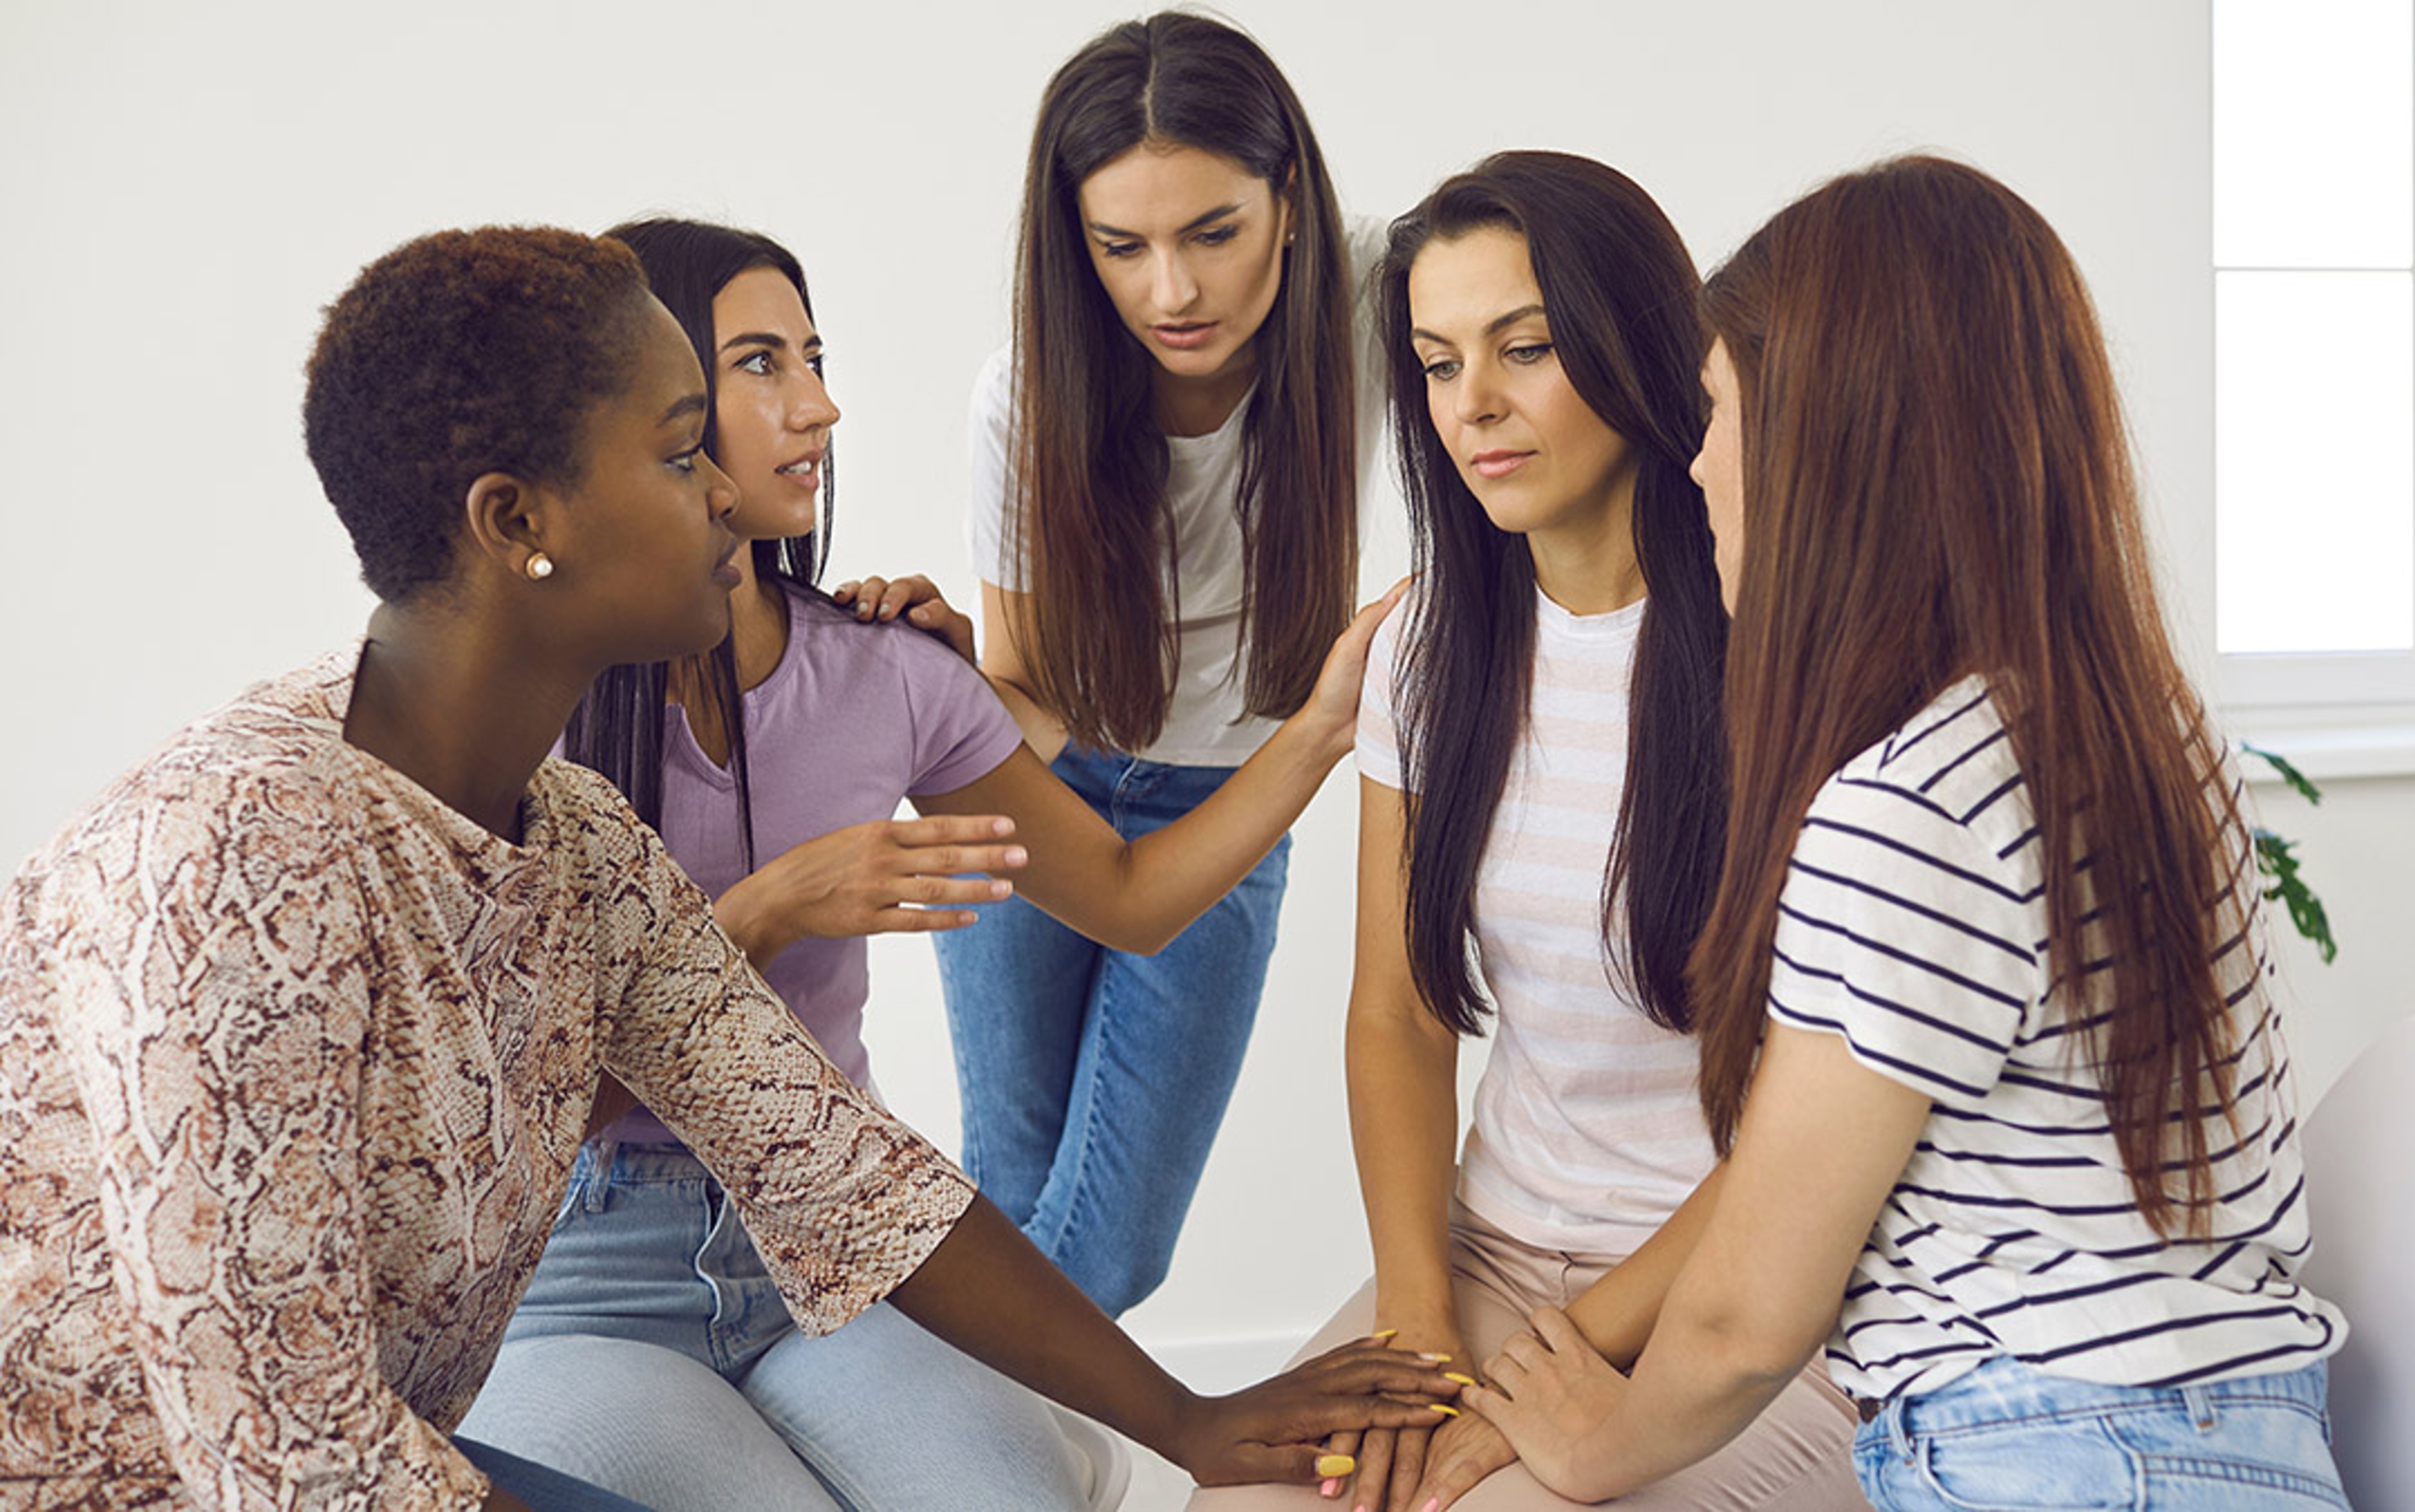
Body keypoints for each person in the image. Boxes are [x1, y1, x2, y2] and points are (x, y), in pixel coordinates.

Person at [0, 225, 1454, 1511]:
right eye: (681, 449)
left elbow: (843, 1171)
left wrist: (1192, 1422)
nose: (730, 492)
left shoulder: (578, 842)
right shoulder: (234, 862)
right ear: (519, 523)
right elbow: (290, 1464)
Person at [459, 216, 1403, 1512]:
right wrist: (770, 909)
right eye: (760, 364)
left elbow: (1131, 901)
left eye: (814, 357)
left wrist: (1322, 729)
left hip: (826, 1247)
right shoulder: (522, 712)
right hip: (581, 1276)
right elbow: (501, 1102)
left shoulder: (885, 670)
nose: (820, 405)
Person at [1460, 156, 2351, 1512]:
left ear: (1830, 441)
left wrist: (1599, 1443)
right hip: (2230, 1435)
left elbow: (1750, 1316)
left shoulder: (1909, 809)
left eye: (1718, 411)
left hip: (2054, 1460)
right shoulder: (2132, 728)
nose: (1695, 463)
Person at [1197, 153, 1869, 1512]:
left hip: (1747, 1299)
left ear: (1635, 345)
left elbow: (1796, 1127)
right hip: (1491, 1259)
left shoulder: (1786, 661)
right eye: (1438, 365)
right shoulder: (1427, 652)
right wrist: (1418, 1323)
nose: (1474, 406)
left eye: (1526, 348)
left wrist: (1532, 1382)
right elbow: (1396, 1012)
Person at [940, 9, 1379, 1317]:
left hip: (1225, 805)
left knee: (1112, 1247)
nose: (1172, 293)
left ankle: (916, 1411)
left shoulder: (1372, 310)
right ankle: (946, 1426)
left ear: (1288, 202)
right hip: (1043, 800)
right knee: (1010, 1185)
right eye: (1120, 247)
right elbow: (1026, 692)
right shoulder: (1026, 394)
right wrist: (935, 683)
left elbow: (1542, 288)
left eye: (1212, 233)